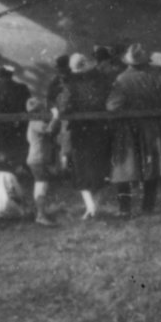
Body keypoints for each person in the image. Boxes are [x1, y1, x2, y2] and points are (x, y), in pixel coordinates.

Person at [106, 43, 161, 217]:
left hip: (128, 130)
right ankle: (148, 207)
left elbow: (112, 106)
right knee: (152, 168)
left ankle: (124, 209)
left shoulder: (121, 79)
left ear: (128, 62)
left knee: (124, 170)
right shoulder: (157, 77)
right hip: (153, 129)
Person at [58, 53, 112, 219]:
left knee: (81, 169)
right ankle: (95, 204)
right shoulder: (102, 82)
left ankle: (91, 206)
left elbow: (64, 106)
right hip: (100, 128)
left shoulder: (70, 84)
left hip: (80, 131)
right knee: (98, 166)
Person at [25, 96, 57, 225]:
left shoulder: (33, 123)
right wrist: (55, 116)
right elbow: (50, 129)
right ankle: (40, 215)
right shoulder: (36, 123)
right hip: (38, 158)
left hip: (36, 157)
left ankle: (40, 212)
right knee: (41, 185)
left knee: (40, 185)